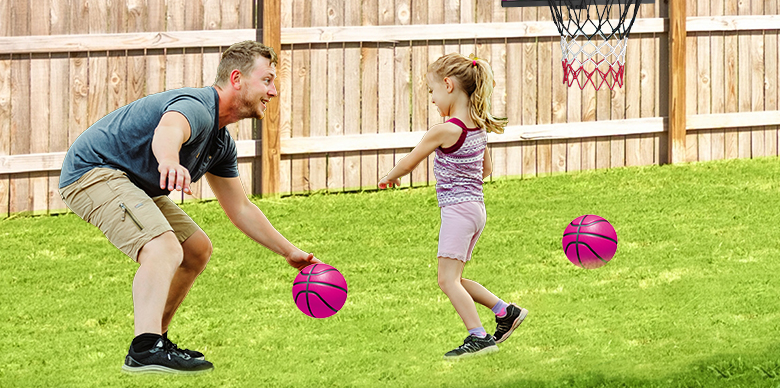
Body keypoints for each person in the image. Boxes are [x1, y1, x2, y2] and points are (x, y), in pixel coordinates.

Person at [57, 40, 322, 375]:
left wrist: (289, 252)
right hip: (93, 172)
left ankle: (157, 342)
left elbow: (240, 208)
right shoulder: (198, 106)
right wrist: (169, 159)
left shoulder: (220, 142)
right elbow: (170, 127)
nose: (274, 91)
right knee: (163, 247)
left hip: (129, 181)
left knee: (196, 249)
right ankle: (145, 348)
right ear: (237, 79)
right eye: (266, 80)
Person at [377, 53, 528, 359]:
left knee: (446, 280)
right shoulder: (478, 129)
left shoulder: (446, 129)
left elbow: (410, 161)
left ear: (448, 85)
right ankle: (506, 312)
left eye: (432, 91)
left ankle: (479, 336)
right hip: (475, 210)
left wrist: (389, 177)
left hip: (458, 211)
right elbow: (486, 170)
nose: (432, 99)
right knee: (455, 278)